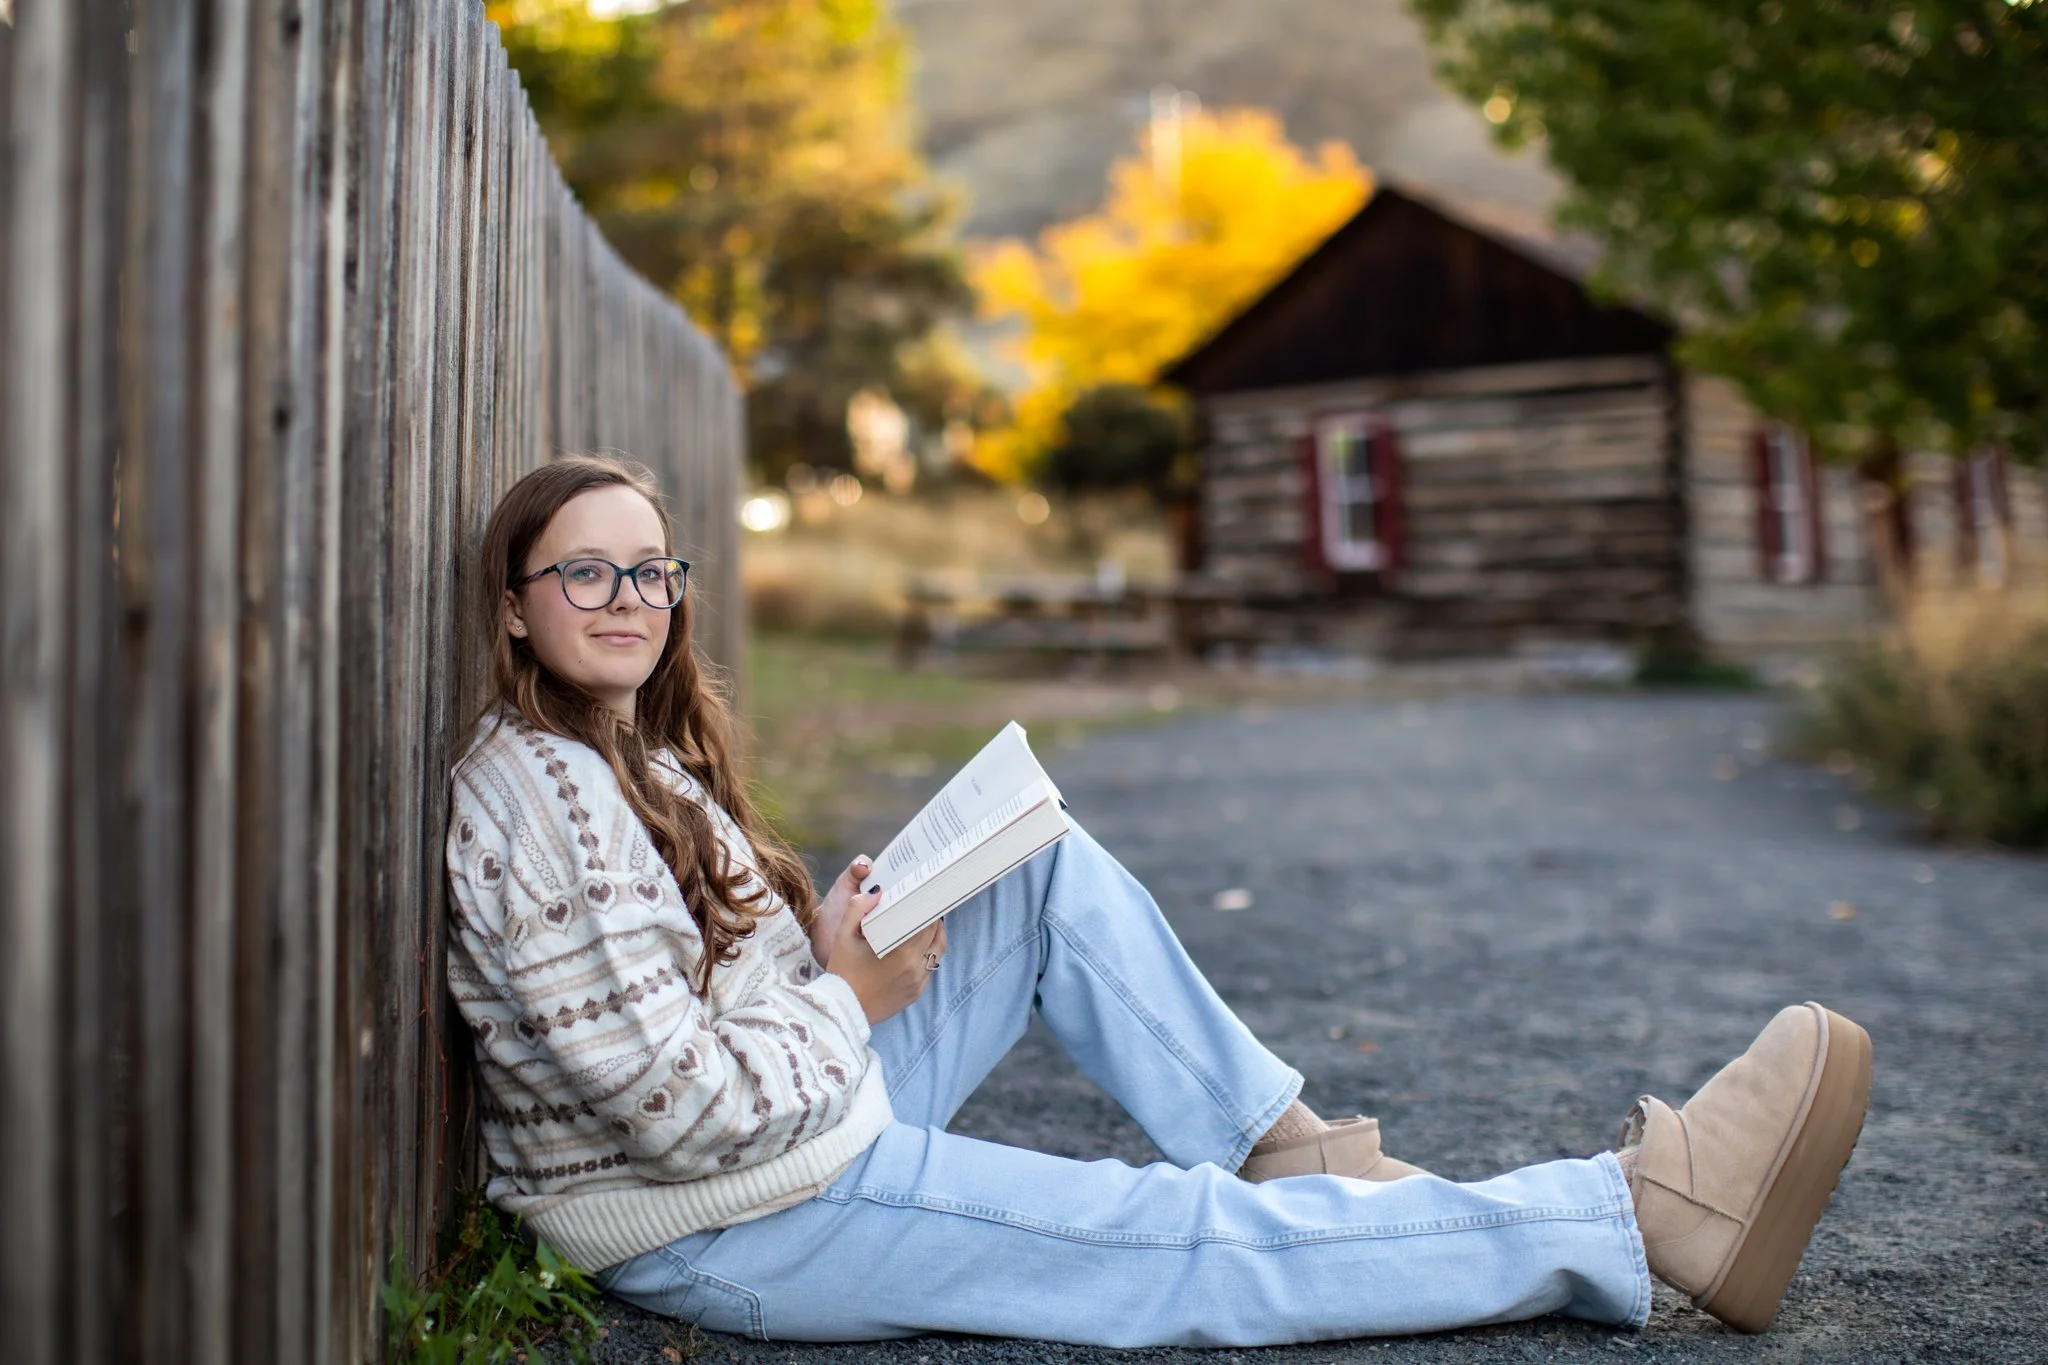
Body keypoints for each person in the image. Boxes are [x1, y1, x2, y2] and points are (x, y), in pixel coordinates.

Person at [445, 454, 1872, 1347]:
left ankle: (1293, 1152)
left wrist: (821, 951)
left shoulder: (611, 754)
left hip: (791, 1134)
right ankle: (1633, 1218)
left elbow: (704, 1017)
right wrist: (846, 995)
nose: (629, 594)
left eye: (649, 568)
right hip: (732, 1220)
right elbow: (673, 1106)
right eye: (585, 570)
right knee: (1173, 1248)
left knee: (1038, 868)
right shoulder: (543, 795)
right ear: (516, 605)